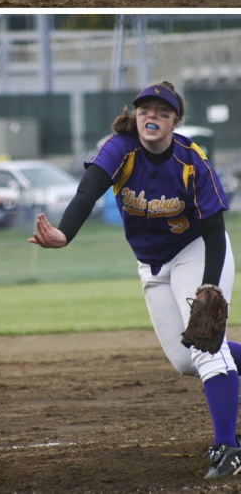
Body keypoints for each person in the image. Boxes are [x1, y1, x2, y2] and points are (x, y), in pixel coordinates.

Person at [29, 80, 241, 480]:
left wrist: (209, 286)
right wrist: (65, 234)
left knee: (206, 348)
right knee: (185, 359)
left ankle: (227, 447)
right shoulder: (120, 147)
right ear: (136, 115)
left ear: (175, 121)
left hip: (196, 251)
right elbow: (88, 191)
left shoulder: (191, 161)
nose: (152, 116)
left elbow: (214, 232)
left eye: (162, 111)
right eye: (145, 109)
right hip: (151, 264)